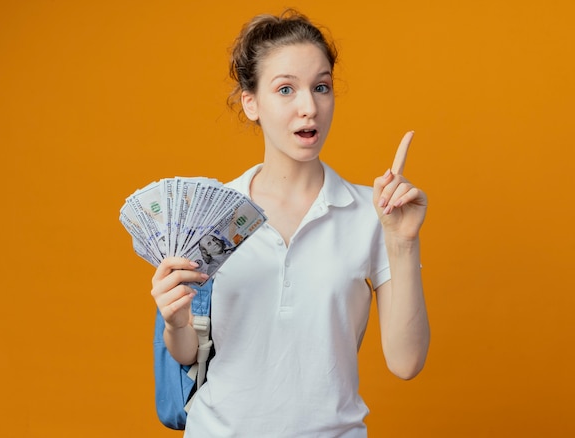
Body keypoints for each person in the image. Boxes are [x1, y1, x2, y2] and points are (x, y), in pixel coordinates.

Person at [150, 9, 430, 437]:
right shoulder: (210, 214)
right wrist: (174, 321)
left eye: (321, 87)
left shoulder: (371, 214)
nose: (309, 107)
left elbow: (406, 362)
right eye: (286, 89)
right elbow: (189, 354)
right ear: (251, 103)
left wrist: (403, 242)